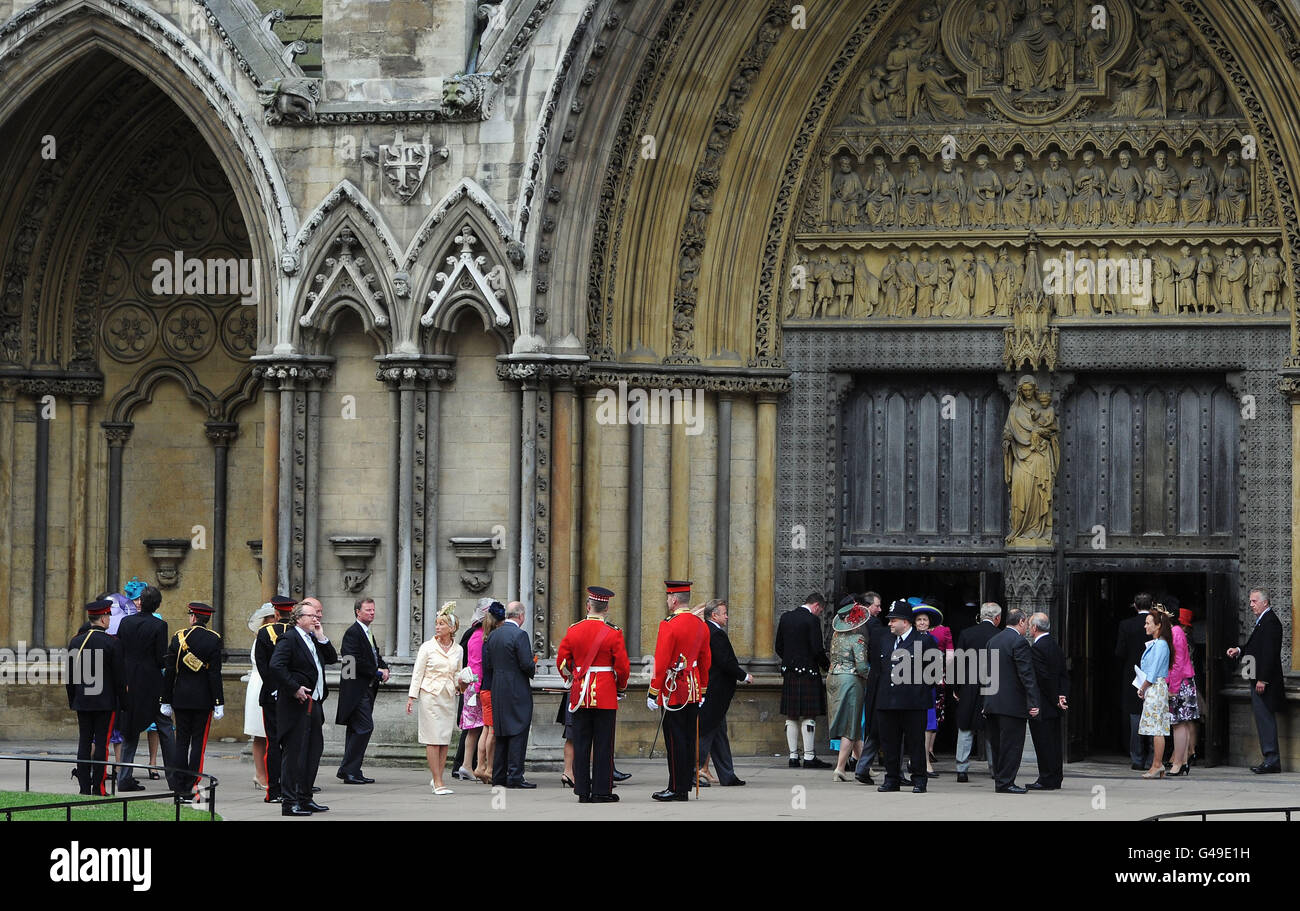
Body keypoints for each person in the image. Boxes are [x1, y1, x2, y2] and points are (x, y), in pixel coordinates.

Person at [557, 585, 631, 803]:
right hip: (605, 694)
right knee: (603, 744)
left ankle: (582, 791)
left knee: (580, 743)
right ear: (605, 609)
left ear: (588, 606)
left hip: (580, 693)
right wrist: (620, 687)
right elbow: (623, 668)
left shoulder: (574, 630)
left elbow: (562, 662)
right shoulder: (614, 632)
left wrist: (572, 678)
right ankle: (601, 791)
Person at [270, 599, 337, 816]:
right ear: (298, 618)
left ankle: (305, 797)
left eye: (317, 616)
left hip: (314, 702)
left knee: (313, 751)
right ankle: (289, 802)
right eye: (311, 616)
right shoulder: (289, 638)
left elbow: (331, 658)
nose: (316, 618)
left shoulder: (312, 638)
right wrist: (294, 688)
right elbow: (276, 666)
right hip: (296, 703)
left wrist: (321, 635)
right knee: (295, 753)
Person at [648, 580, 711, 801]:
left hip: (673, 689)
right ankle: (683, 784)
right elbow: (705, 660)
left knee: (675, 741)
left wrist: (654, 691)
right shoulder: (701, 625)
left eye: (668, 598)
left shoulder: (669, 624)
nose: (667, 601)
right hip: (693, 689)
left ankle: (676, 788)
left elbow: (662, 661)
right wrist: (702, 689)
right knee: (687, 739)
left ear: (674, 600)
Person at [161, 601, 224, 803]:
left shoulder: (178, 637)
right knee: (198, 745)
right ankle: (194, 787)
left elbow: (170, 672)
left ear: (193, 617)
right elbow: (214, 674)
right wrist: (218, 702)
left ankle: (180, 790)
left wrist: (165, 699)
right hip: (203, 699)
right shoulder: (214, 639)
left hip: (181, 698)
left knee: (181, 743)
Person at [116, 586, 177, 792]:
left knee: (130, 729)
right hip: (151, 682)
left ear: (140, 602)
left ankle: (124, 777)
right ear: (157, 605)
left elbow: (120, 651)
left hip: (130, 681)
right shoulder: (159, 625)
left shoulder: (126, 622)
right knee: (165, 728)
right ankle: (174, 779)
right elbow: (161, 658)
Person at [876, 599, 940, 793]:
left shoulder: (924, 640)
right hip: (888, 701)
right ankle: (892, 778)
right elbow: (880, 670)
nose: (889, 623)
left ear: (905, 621)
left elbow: (934, 670)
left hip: (914, 701)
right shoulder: (885, 639)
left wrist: (920, 689)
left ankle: (919, 779)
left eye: (893, 620)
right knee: (890, 743)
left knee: (916, 743)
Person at [66, 599, 126, 796]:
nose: (109, 619)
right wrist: (123, 703)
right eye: (108, 616)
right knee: (101, 744)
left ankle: (84, 787)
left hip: (82, 700)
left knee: (84, 742)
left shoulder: (75, 642)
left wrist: (73, 699)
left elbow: (70, 677)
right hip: (104, 702)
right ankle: (98, 787)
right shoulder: (112, 643)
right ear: (102, 618)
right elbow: (119, 678)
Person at [407, 602, 465, 795]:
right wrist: (411, 696)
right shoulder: (427, 647)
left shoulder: (458, 650)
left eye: (441, 624)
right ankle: (438, 780)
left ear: (452, 628)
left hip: (448, 696)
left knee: (444, 739)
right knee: (433, 739)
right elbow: (418, 673)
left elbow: (457, 673)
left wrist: (463, 683)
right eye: (437, 623)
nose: (438, 627)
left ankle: (438, 777)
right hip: (430, 695)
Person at [982, 608, 1040, 794]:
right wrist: (1033, 701)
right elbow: (1026, 675)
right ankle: (1006, 782)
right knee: (1012, 745)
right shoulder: (1019, 642)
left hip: (993, 702)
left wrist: (985, 701)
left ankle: (1001, 780)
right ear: (1022, 622)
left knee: (998, 745)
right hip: (1012, 704)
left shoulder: (993, 640)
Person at [1226, 588, 1284, 773]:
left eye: (1253, 601)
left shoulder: (1271, 622)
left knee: (1265, 719)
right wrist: (1239, 650)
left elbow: (1270, 654)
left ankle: (1272, 760)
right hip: (1256, 678)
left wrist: (1263, 679)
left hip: (1263, 682)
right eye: (1250, 601)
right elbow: (1255, 646)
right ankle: (1269, 758)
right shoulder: (1263, 622)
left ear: (1264, 602)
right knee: (1262, 719)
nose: (1251, 605)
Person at [482, 600, 537, 788]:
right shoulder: (520, 635)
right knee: (518, 731)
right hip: (516, 688)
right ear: (521, 616)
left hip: (497, 687)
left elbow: (487, 664)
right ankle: (515, 775)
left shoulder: (493, 635)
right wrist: (532, 669)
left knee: (501, 732)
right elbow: (526, 664)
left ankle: (498, 776)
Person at [698, 598, 752, 787]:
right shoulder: (715, 634)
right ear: (714, 615)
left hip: (715, 691)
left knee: (718, 733)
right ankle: (691, 772)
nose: (727, 616)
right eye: (724, 613)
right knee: (705, 732)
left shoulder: (708, 629)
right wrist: (744, 675)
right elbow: (725, 661)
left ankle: (727, 774)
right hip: (715, 690)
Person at [336, 596, 390, 784]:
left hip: (366, 689)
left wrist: (385, 667)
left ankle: (351, 769)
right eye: (368, 610)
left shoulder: (367, 632)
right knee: (364, 727)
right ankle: (349, 770)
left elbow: (374, 654)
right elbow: (351, 661)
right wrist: (376, 672)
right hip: (357, 691)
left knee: (356, 729)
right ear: (358, 612)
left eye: (373, 610)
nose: (372, 613)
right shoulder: (353, 632)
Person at [775, 591, 830, 769]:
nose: (819, 614)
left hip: (790, 672)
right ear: (816, 606)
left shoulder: (786, 618)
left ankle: (792, 757)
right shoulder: (812, 620)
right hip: (808, 673)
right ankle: (808, 756)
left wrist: (790, 660)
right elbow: (817, 649)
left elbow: (779, 647)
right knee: (808, 714)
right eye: (820, 611)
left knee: (791, 715)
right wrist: (828, 666)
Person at [253, 594, 297, 803]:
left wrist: (274, 688)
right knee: (292, 744)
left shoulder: (264, 633)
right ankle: (291, 788)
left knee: (273, 743)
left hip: (272, 695)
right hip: (295, 693)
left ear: (276, 613)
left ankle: (274, 791)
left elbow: (263, 667)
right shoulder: (299, 633)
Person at [953, 601, 1001, 783]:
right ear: (997, 618)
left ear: (981, 616)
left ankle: (962, 770)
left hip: (969, 686)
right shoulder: (1000, 635)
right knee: (992, 730)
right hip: (993, 687)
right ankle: (995, 768)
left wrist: (957, 688)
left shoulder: (967, 634)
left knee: (965, 728)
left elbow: (958, 663)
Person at [827, 597, 870, 782]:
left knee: (850, 723)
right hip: (851, 680)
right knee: (851, 725)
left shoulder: (836, 636)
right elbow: (862, 667)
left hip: (832, 678)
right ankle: (840, 767)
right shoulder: (858, 638)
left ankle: (863, 765)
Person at [1026, 612, 1069, 790]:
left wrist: (1054, 698)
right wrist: (1062, 695)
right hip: (1055, 702)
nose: (1029, 628)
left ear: (1034, 628)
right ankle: (1056, 777)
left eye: (1029, 625)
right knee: (1054, 742)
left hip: (1044, 703)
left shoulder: (1036, 648)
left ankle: (1046, 778)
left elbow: (1043, 678)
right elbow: (1063, 675)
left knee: (1043, 743)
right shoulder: (1054, 644)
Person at [911, 600, 952, 776]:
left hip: (928, 686)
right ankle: (914, 760)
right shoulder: (908, 639)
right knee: (913, 725)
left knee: (929, 724)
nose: (922, 622)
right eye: (919, 619)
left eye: (925, 620)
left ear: (930, 623)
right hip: (910, 686)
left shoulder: (933, 639)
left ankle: (926, 761)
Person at [454, 598, 491, 781]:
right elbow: (479, 664)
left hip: (472, 687)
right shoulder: (481, 636)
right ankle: (478, 765)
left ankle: (467, 765)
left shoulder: (476, 634)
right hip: (477, 687)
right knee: (484, 728)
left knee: (473, 730)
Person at [1115, 592, 1153, 770]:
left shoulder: (1126, 625)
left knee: (1135, 716)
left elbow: (1120, 652)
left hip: (1132, 675)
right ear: (1151, 605)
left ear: (1135, 606)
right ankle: (1152, 758)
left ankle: (1137, 758)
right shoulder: (1157, 625)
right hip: (1154, 674)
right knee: (1153, 716)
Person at [854, 591, 887, 785]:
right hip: (869, 678)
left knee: (865, 725)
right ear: (868, 606)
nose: (879, 610)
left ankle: (859, 764)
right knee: (876, 726)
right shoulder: (874, 626)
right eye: (877, 605)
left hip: (852, 676)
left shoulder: (851, 623)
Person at [1137, 606, 1173, 779]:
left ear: (1158, 626)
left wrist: (1143, 686)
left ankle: (1157, 764)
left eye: (1148, 623)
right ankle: (1157, 765)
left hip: (1156, 686)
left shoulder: (1161, 644)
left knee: (1157, 728)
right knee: (1155, 727)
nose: (1145, 626)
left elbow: (1153, 670)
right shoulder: (1159, 644)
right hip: (1155, 686)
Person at [242, 603, 275, 790]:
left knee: (269, 734)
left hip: (267, 681)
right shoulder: (263, 638)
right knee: (259, 733)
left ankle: (268, 773)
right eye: (271, 616)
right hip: (260, 683)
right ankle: (260, 774)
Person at [1166, 602, 1199, 776]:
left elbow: (1177, 662)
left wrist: (1172, 687)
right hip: (1184, 682)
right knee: (1184, 723)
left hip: (1180, 683)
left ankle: (1178, 762)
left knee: (1178, 724)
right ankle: (1184, 761)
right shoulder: (1177, 632)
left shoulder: (1175, 633)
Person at [475, 603, 504, 781]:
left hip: (484, 688)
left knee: (486, 729)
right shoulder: (494, 640)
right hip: (492, 688)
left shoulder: (485, 639)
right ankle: (489, 768)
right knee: (492, 731)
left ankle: (480, 766)